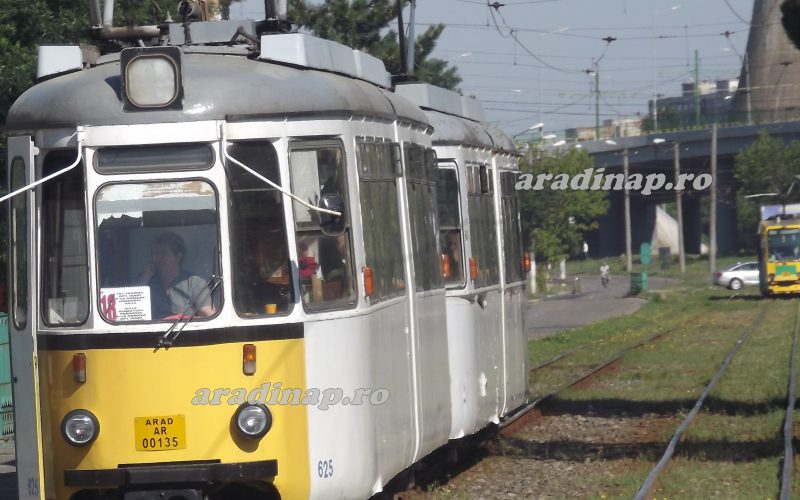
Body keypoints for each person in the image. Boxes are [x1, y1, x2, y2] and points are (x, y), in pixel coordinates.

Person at [139, 231, 215, 319]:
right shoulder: (146, 280)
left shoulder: (194, 282)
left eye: (164, 253)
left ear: (178, 257)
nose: (158, 258)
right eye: (156, 254)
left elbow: (209, 314)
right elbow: (130, 304)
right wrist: (146, 276)